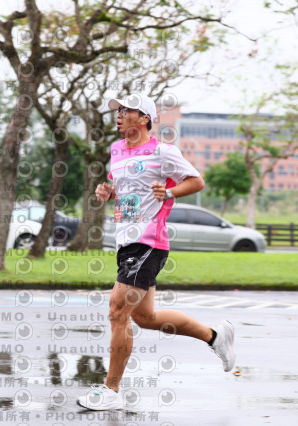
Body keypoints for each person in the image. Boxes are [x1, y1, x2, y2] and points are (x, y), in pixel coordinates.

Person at [77, 93, 235, 411]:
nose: (118, 115)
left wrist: (170, 191)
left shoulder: (163, 152)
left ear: (144, 118)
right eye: (117, 110)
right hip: (126, 242)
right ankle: (215, 336)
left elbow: (196, 181)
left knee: (117, 311)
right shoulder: (117, 150)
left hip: (149, 242)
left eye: (126, 110)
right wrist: (108, 192)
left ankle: (111, 390)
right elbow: (125, 191)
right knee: (145, 318)